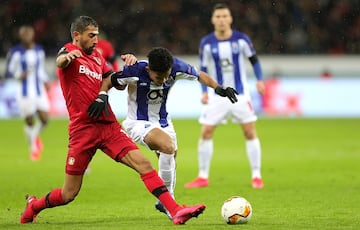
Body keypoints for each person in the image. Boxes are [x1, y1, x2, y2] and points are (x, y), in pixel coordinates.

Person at [20, 16, 205, 225]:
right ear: (77, 36)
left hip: (108, 126)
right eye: (91, 36)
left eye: (97, 36)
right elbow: (60, 61)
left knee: (144, 164)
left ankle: (175, 210)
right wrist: (68, 56)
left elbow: (115, 81)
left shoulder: (98, 57)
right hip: (82, 130)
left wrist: (129, 65)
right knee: (68, 193)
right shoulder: (68, 52)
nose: (96, 41)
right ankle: (34, 206)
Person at [87, 46, 238, 217]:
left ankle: (164, 202)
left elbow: (199, 75)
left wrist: (219, 88)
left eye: (167, 75)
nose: (164, 79)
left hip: (164, 122)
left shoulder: (176, 67)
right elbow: (109, 81)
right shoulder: (135, 71)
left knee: (170, 159)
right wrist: (102, 95)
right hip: (137, 122)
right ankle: (170, 205)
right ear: (149, 69)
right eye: (159, 76)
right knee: (167, 146)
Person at [184, 3, 266, 189]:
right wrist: (204, 92)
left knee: (249, 131)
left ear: (230, 19)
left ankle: (256, 175)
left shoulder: (241, 40)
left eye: (224, 16)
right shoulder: (206, 42)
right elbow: (202, 70)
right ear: (213, 20)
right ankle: (203, 176)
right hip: (217, 96)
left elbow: (254, 61)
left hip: (241, 95)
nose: (221, 20)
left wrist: (260, 80)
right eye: (218, 17)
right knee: (206, 132)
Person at [5, 25, 50, 161]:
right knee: (29, 120)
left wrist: (46, 81)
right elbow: (9, 70)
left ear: (32, 35)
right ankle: (33, 149)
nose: (26, 37)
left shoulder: (39, 50)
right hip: (24, 92)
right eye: (24, 34)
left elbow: (40, 69)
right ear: (21, 36)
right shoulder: (15, 52)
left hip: (38, 90)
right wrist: (19, 74)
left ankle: (34, 137)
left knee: (44, 119)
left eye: (28, 34)